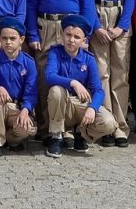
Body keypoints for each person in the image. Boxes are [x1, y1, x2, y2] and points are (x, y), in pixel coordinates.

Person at [80, 0, 136, 146]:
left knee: (120, 73)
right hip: (98, 13)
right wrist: (95, 26)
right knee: (101, 73)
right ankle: (106, 123)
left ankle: (121, 126)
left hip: (119, 15)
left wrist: (122, 25)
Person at [42, 14, 114, 156]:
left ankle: (82, 134)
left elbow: (98, 90)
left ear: (84, 40)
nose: (71, 40)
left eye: (76, 37)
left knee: (109, 122)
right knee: (56, 90)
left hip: (81, 104)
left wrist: (92, 108)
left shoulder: (88, 59)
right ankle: (56, 136)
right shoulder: (55, 53)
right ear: (62, 35)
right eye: (68, 35)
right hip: (62, 105)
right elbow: (49, 76)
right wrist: (73, 83)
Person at [0, 19, 37, 155]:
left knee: (26, 129)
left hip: (17, 108)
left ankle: (8, 139)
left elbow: (31, 92)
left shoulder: (29, 63)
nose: (8, 42)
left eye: (12, 38)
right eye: (4, 38)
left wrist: (25, 110)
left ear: (21, 40)